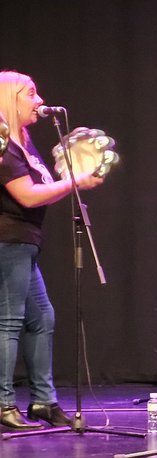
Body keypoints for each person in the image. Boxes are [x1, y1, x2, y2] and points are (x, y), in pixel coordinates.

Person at [0, 71, 104, 430]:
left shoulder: (23, 145)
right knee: (10, 322)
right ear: (9, 99)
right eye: (30, 93)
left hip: (25, 242)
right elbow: (27, 194)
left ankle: (43, 401)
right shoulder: (4, 147)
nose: (39, 100)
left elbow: (43, 186)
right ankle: (4, 404)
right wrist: (74, 182)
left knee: (41, 318)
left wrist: (74, 172)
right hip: (8, 241)